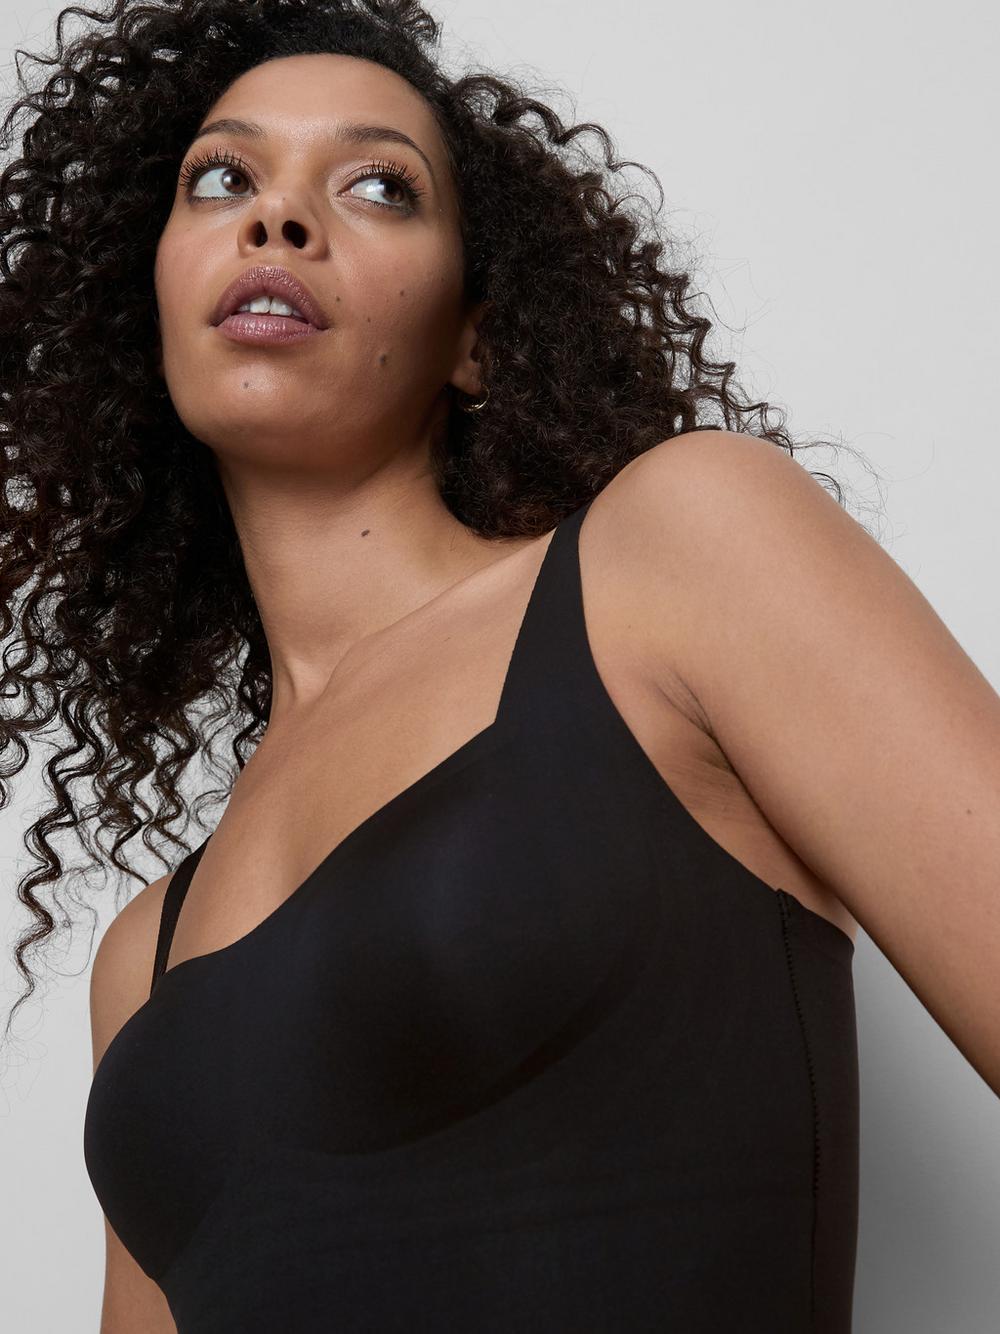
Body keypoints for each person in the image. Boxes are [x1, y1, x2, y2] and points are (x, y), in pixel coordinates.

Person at [3, 1, 998, 1331]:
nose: (277, 217)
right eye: (223, 179)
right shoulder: (143, 963)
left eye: (377, 186)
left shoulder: (676, 561)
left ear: (474, 335)